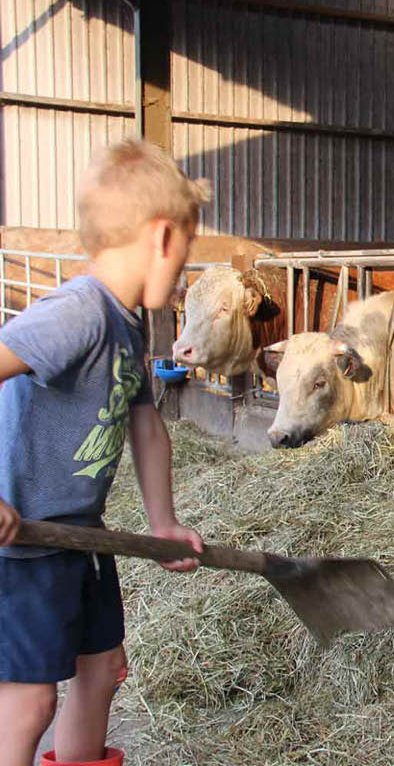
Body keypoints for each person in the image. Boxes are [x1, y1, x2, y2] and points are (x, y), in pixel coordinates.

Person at [0, 139, 210, 766]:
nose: (179, 283)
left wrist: (163, 521)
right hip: (25, 543)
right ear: (163, 238)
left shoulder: (127, 323)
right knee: (30, 702)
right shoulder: (78, 315)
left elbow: (145, 426)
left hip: (80, 536)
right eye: (186, 259)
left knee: (103, 670)